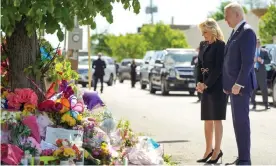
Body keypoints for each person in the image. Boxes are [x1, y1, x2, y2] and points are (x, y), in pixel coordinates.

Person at [223, 2, 257, 165]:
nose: (225, 20)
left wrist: (239, 84)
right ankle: (242, 156)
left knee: (242, 122)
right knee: (238, 122)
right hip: (234, 88)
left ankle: (245, 159)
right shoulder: (236, 32)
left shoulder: (247, 32)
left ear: (237, 14)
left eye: (227, 16)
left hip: (241, 88)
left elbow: (248, 62)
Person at [196, 18, 227, 164]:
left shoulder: (221, 45)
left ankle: (217, 151)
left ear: (212, 30)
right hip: (204, 85)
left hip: (217, 86)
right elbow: (199, 64)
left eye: (205, 32)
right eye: (202, 33)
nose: (203, 35)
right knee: (207, 119)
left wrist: (206, 84)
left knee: (216, 119)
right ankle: (208, 149)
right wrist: (199, 82)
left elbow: (219, 68)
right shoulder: (203, 44)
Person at [251, 38, 271, 110]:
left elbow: (269, 60)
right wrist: (252, 60)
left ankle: (266, 104)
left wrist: (261, 60)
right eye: (256, 42)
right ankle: (253, 104)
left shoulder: (264, 51)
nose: (257, 43)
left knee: (264, 89)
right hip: (253, 72)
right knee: (253, 89)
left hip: (262, 73)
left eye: (259, 42)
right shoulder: (251, 51)